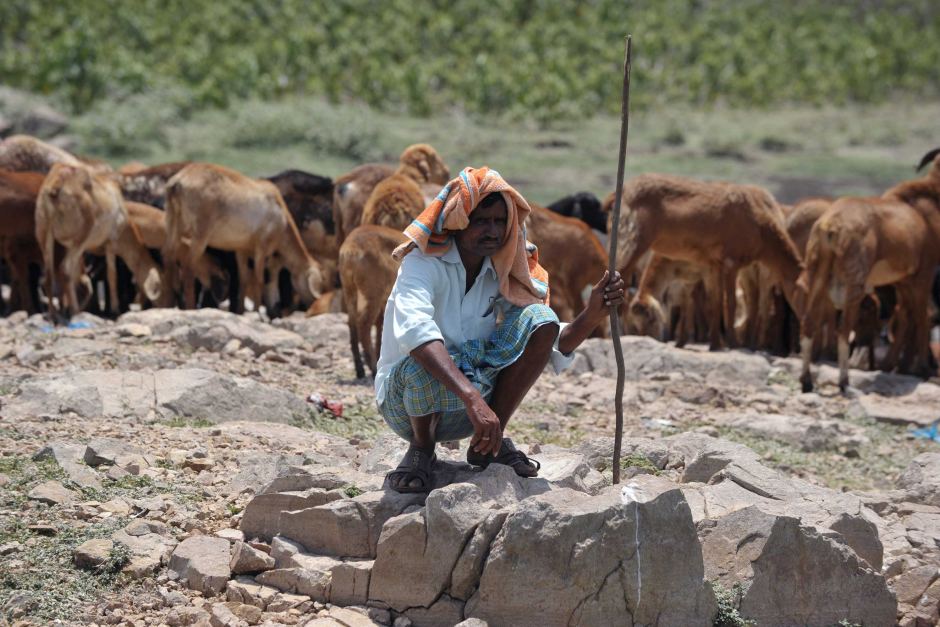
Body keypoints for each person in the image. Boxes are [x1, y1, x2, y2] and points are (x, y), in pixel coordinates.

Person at [375, 166, 625, 492]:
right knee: (425, 358)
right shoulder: (422, 262)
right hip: (408, 405)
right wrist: (473, 399)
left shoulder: (501, 267)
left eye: (499, 221)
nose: (492, 231)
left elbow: (548, 338)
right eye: (481, 221)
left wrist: (591, 315)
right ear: (459, 221)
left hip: (472, 407)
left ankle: (488, 444)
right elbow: (416, 333)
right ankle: (421, 450)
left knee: (540, 318)